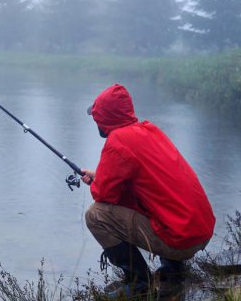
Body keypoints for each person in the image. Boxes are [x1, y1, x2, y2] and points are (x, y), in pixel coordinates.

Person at [81, 84, 215, 298]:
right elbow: (145, 182)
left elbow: (103, 196)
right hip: (200, 232)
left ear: (104, 117)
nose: (95, 121)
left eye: (96, 116)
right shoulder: (149, 131)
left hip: (181, 242)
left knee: (95, 215)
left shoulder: (117, 142)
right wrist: (100, 176)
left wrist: (97, 183)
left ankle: (138, 284)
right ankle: (173, 271)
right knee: (160, 202)